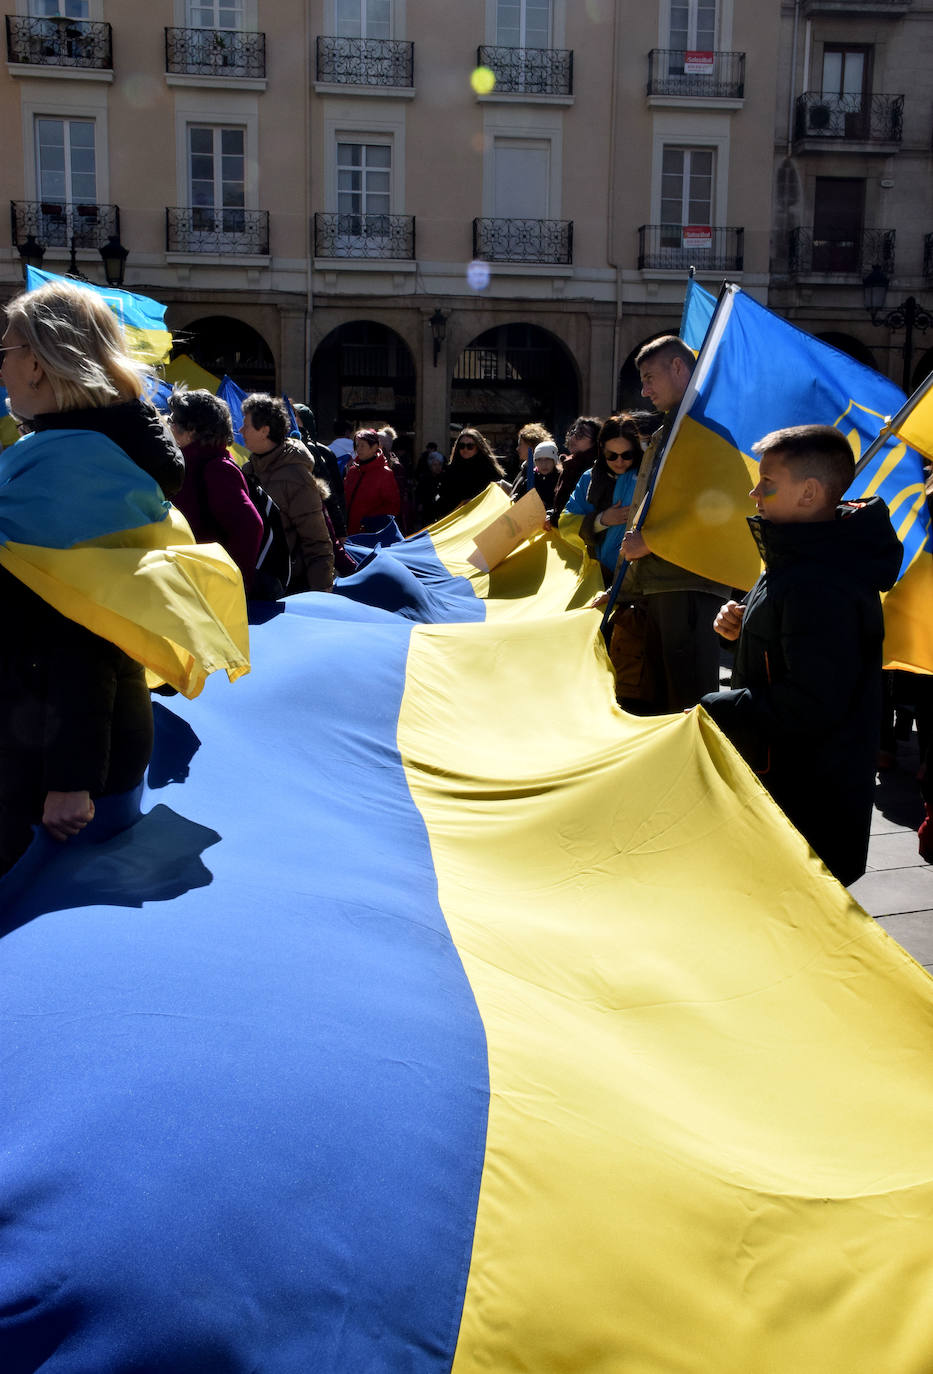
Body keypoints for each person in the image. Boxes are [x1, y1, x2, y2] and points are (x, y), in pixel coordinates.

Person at [699, 424, 902, 887]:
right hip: (787, 775)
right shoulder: (799, 554)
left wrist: (714, 708)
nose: (754, 492)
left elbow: (812, 701)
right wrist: (741, 626)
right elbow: (789, 647)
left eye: (767, 482)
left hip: (806, 793)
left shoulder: (821, 578)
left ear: (809, 493)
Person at [0, 280, 158, 874]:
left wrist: (71, 779)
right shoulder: (85, 452)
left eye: (5, 354)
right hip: (53, 733)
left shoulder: (74, 469)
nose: (1, 371)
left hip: (48, 756)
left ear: (38, 365)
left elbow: (83, 632)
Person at [612, 336, 731, 713]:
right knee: (660, 700)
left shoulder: (707, 430)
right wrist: (625, 586)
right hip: (661, 581)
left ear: (679, 368)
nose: (644, 391)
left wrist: (651, 543)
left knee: (688, 702)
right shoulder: (672, 429)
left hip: (689, 582)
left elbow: (717, 508)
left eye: (649, 378)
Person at [168, 389, 263, 590]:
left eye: (173, 420)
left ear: (192, 429)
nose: (170, 425)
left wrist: (229, 584)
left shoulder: (216, 468)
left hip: (209, 588)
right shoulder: (192, 463)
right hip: (192, 581)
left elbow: (250, 527)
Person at [241, 393, 334, 593]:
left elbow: (316, 540)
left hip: (287, 589)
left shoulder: (296, 476)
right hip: (256, 583)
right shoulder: (248, 470)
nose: (240, 431)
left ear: (264, 431)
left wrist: (322, 592)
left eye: (246, 425)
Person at [560, 414, 642, 582]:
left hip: (634, 578)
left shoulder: (646, 479)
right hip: (594, 575)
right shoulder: (588, 478)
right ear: (601, 449)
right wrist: (601, 520)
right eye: (612, 455)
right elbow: (565, 523)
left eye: (626, 455)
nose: (619, 461)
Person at [436, 427, 506, 518]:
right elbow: (443, 497)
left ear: (478, 447)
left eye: (470, 446)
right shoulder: (451, 470)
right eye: (461, 446)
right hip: (454, 519)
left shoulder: (489, 469)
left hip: (479, 519)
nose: (465, 449)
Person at [343, 428, 401, 535]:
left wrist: (370, 521)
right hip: (349, 531)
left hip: (370, 534)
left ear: (374, 447)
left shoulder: (384, 473)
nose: (358, 449)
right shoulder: (353, 471)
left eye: (362, 446)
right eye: (357, 445)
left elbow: (393, 506)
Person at [553, 416, 601, 520]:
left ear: (595, 441)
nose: (573, 438)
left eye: (580, 435)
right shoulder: (569, 464)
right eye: (572, 433)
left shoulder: (593, 469)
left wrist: (554, 519)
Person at [510, 439, 561, 510]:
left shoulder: (560, 480)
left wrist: (547, 506)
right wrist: (516, 498)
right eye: (539, 460)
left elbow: (563, 504)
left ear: (554, 461)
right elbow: (521, 497)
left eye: (548, 459)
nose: (544, 464)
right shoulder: (531, 478)